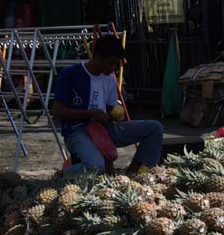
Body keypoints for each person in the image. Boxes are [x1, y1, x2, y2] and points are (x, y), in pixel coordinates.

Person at [53, 35, 164, 176]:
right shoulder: (70, 74)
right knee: (96, 166)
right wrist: (90, 113)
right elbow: (57, 111)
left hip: (105, 128)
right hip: (77, 131)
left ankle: (134, 172)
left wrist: (115, 115)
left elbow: (111, 108)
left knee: (155, 128)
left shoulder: (109, 77)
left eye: (116, 64)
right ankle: (63, 175)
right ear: (98, 57)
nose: (114, 68)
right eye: (111, 63)